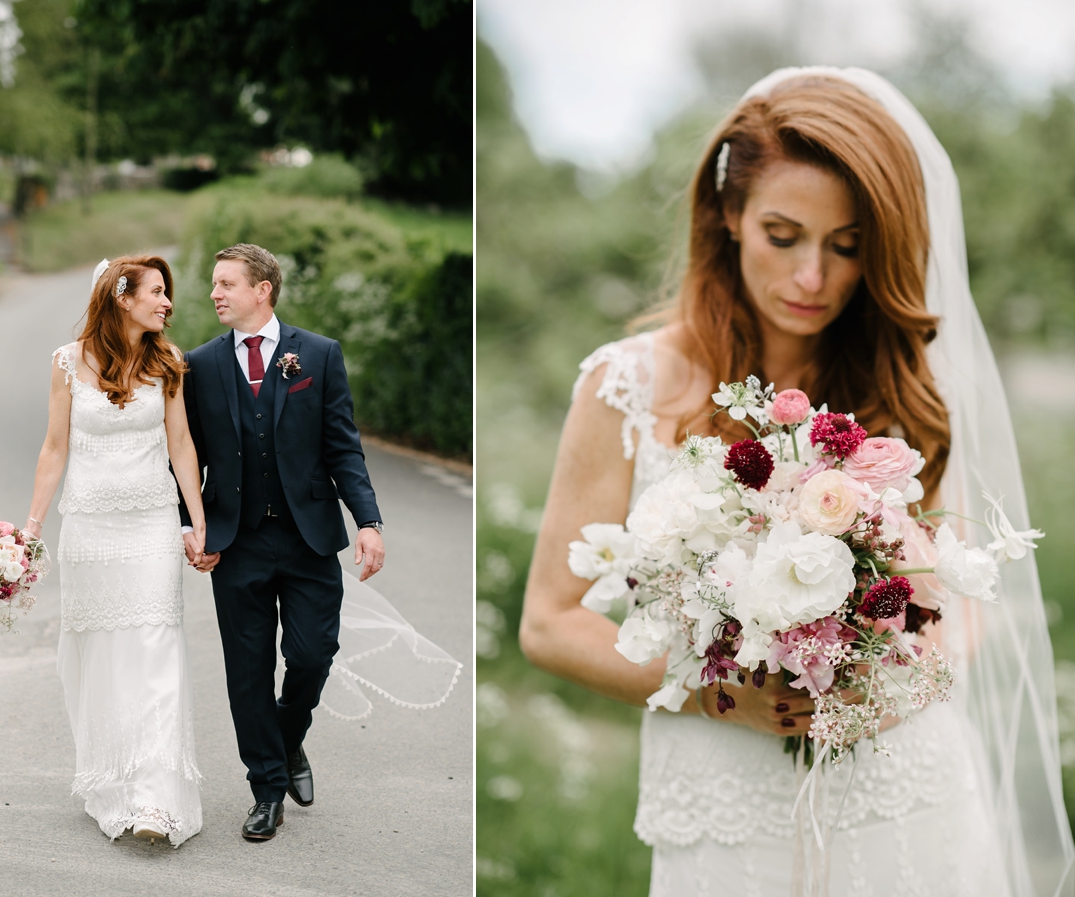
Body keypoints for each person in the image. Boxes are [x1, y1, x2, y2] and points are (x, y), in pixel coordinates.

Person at [519, 68, 1074, 895]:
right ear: (730, 216)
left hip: (902, 780)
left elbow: (964, 601)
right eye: (784, 235)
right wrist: (722, 695)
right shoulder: (628, 384)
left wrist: (889, 688)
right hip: (723, 791)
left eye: (846, 246)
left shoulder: (909, 391)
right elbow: (550, 622)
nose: (812, 276)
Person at [177, 243, 387, 842]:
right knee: (247, 670)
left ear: (262, 289)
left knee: (314, 653)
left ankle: (288, 738)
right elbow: (184, 456)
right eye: (214, 285)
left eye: (226, 284)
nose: (214, 293)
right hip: (235, 542)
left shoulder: (318, 355)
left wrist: (368, 522)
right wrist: (190, 524)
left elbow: (343, 446)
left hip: (309, 538)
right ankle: (266, 790)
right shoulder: (200, 364)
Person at [25, 254, 205, 847]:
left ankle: (156, 802)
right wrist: (30, 528)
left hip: (152, 524)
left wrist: (195, 523)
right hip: (91, 531)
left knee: (156, 652)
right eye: (156, 292)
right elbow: (54, 449)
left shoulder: (169, 363)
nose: (167, 303)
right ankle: (114, 785)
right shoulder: (67, 363)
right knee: (104, 657)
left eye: (166, 293)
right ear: (121, 299)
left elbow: (181, 444)